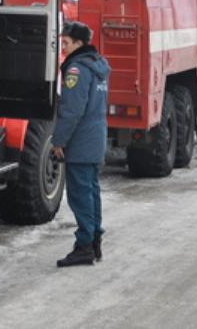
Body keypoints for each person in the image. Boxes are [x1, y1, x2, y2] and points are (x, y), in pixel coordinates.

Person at [52, 21, 111, 267]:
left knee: (80, 195)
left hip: (81, 140)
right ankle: (94, 241)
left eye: (66, 42)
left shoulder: (77, 69)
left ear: (79, 43)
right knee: (91, 191)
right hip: (95, 137)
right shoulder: (98, 66)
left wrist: (58, 141)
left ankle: (84, 245)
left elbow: (72, 110)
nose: (63, 47)